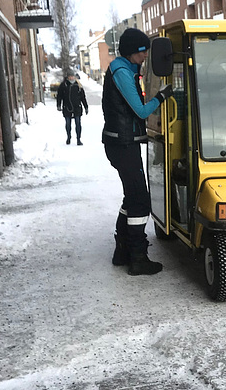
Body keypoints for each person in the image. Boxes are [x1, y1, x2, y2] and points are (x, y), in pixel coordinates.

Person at [101, 28, 173, 276]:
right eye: (143, 52)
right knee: (140, 200)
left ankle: (122, 251)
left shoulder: (126, 69)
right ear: (132, 51)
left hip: (122, 142)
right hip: (122, 145)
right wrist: (161, 97)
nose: (145, 56)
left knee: (131, 197)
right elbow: (141, 111)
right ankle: (137, 257)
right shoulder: (121, 72)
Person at [57, 70, 89, 146]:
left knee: (78, 124)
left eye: (73, 76)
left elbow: (83, 97)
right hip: (67, 107)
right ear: (68, 77)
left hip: (77, 107)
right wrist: (58, 105)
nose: (71, 78)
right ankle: (68, 137)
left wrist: (86, 107)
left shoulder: (78, 85)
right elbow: (59, 96)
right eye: (70, 76)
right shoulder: (63, 85)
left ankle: (78, 139)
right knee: (68, 124)